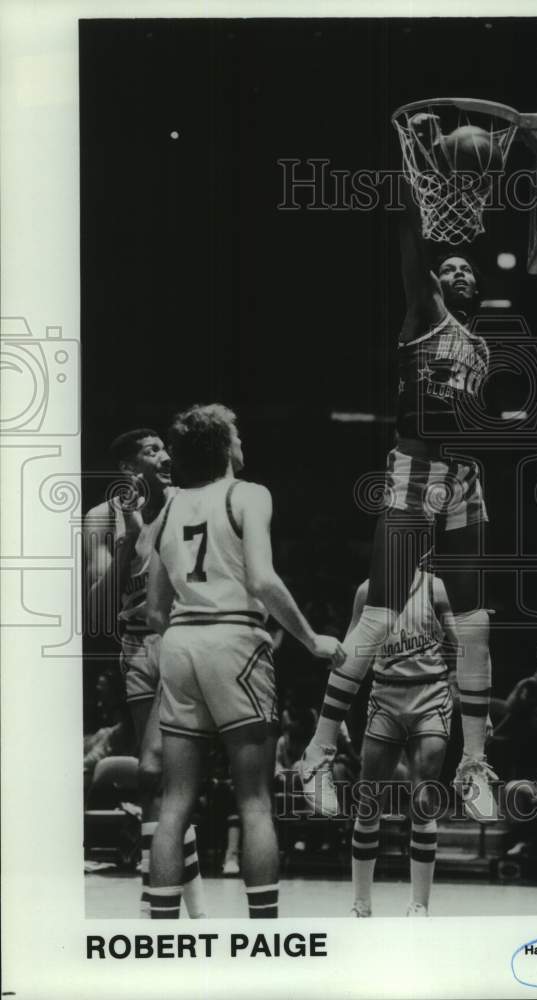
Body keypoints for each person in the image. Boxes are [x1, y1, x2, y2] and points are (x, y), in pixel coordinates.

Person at [299, 126, 497, 822]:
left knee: (473, 627)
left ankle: (474, 764)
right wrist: (415, 167)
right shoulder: (424, 311)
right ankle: (319, 749)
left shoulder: (480, 345)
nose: (459, 271)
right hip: (413, 475)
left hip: (464, 481)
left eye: (468, 269)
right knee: (380, 615)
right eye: (450, 268)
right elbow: (411, 239)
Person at [145, 403, 345, 919]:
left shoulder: (167, 508)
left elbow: (153, 610)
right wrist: (311, 640)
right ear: (225, 446)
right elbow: (262, 580)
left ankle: (163, 933)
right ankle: (263, 935)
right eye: (237, 436)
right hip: (235, 639)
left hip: (181, 642)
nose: (243, 444)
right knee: (254, 800)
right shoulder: (249, 494)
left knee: (174, 803)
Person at [83, 428, 207, 917]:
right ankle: (192, 911)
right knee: (160, 777)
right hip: (135, 646)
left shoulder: (187, 504)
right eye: (152, 450)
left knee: (161, 774)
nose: (165, 456)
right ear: (129, 469)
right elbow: (94, 611)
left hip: (184, 639)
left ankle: (155, 906)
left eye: (165, 449)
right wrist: (127, 544)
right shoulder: (99, 518)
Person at [348, 570, 459, 917]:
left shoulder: (434, 587)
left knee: (424, 798)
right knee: (368, 801)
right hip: (385, 693)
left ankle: (419, 906)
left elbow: (460, 648)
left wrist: (471, 704)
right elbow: (351, 652)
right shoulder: (368, 589)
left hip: (430, 693)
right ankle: (361, 905)